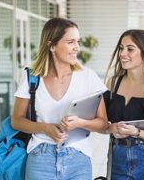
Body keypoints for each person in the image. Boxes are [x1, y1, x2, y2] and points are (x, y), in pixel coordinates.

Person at [11, 17, 108, 180]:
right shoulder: (31, 77)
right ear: (52, 46)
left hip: (78, 157)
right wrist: (45, 128)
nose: (77, 47)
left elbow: (103, 124)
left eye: (78, 41)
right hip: (40, 158)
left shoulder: (88, 77)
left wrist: (80, 123)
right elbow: (17, 120)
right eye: (71, 42)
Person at [103, 29, 144, 180]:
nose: (122, 53)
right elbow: (102, 123)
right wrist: (111, 128)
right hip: (117, 158)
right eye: (121, 48)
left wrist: (136, 132)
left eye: (130, 49)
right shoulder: (112, 83)